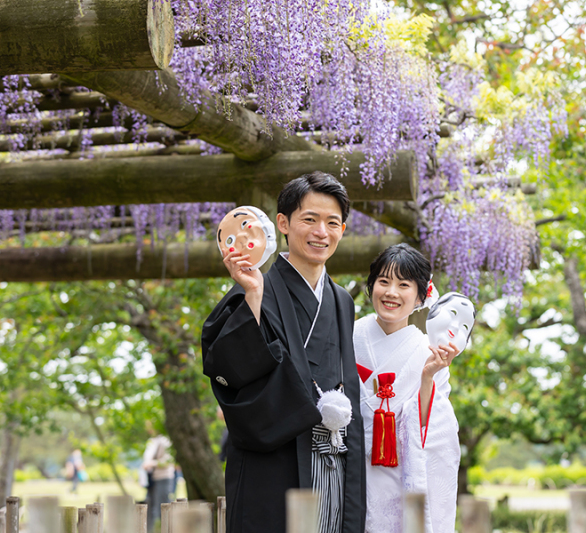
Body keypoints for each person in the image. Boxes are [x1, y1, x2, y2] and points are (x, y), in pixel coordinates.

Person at [202, 172, 366, 533]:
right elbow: (231, 367)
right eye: (309, 219)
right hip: (275, 459)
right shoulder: (257, 288)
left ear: (342, 230)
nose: (321, 232)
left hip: (332, 455)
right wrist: (253, 297)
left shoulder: (341, 300)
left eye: (332, 222)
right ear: (283, 223)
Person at [353, 244, 461, 533]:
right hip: (351, 472)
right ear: (371, 285)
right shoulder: (350, 336)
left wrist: (428, 377)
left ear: (420, 295)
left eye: (403, 285)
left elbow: (433, 430)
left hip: (402, 476)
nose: (391, 292)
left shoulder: (428, 351)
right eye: (383, 281)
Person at [141, 432, 175, 532]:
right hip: (152, 479)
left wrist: (152, 463)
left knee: (163, 506)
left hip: (163, 477)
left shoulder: (165, 440)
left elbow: (168, 460)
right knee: (149, 506)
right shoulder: (152, 441)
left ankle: (167, 529)